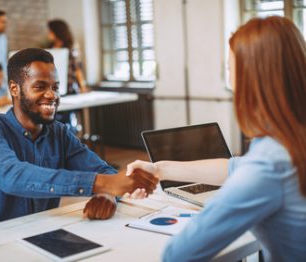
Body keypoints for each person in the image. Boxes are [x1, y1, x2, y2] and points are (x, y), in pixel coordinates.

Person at [126, 16, 306, 261]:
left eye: (231, 69)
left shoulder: (271, 162)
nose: (231, 81)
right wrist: (158, 169)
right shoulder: (291, 141)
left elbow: (179, 255)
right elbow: (234, 166)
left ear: (253, 80)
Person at [0, 48, 158, 229]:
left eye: (55, 87)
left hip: (40, 234)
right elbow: (11, 176)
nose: (51, 95)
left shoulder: (58, 132)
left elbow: (104, 171)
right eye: (40, 86)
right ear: (14, 89)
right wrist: (101, 184)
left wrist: (107, 194)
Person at [46, 19, 88, 132]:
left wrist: (83, 86)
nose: (48, 34)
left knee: (67, 121)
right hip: (54, 90)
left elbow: (77, 69)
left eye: (49, 31)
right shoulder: (49, 49)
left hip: (69, 91)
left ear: (56, 32)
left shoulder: (70, 50)